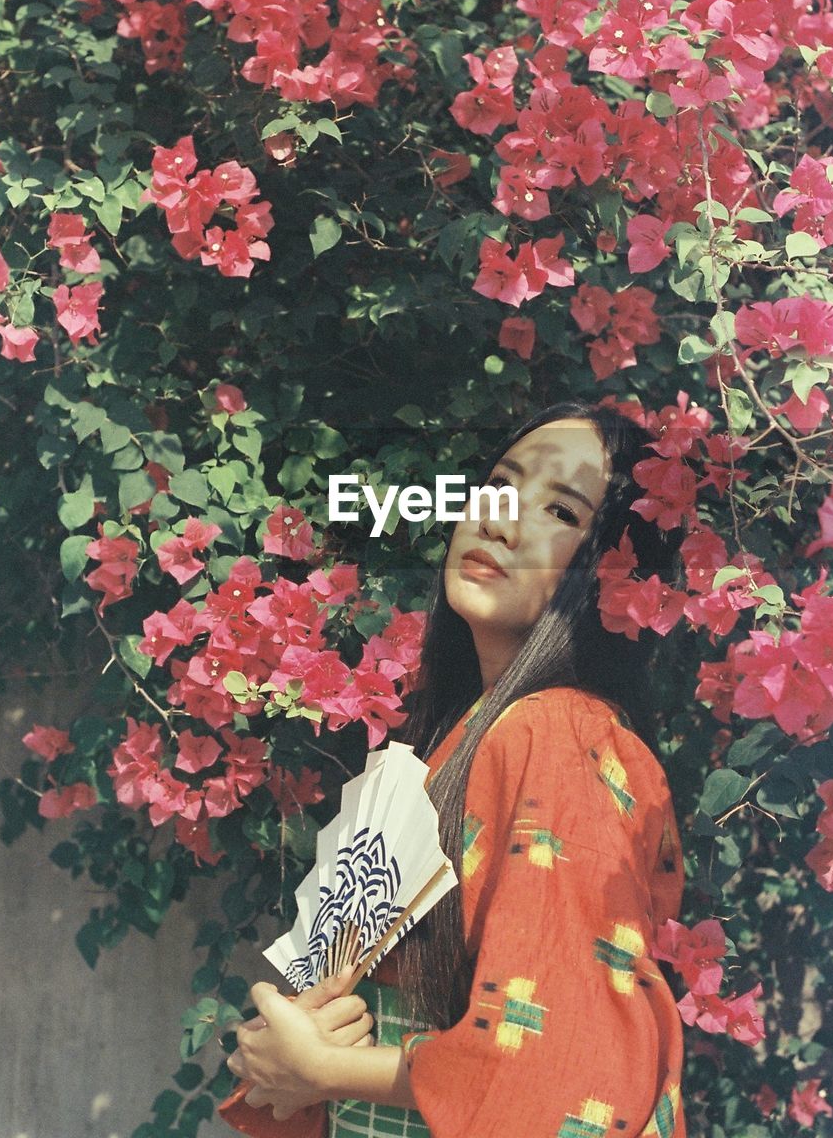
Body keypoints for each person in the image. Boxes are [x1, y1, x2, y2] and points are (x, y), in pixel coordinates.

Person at [221, 400, 687, 1138]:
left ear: (615, 574)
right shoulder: (474, 731)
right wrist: (282, 1049)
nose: (500, 520)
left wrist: (327, 1070)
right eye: (500, 483)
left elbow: (566, 1057)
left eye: (561, 513)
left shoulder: (559, 733)